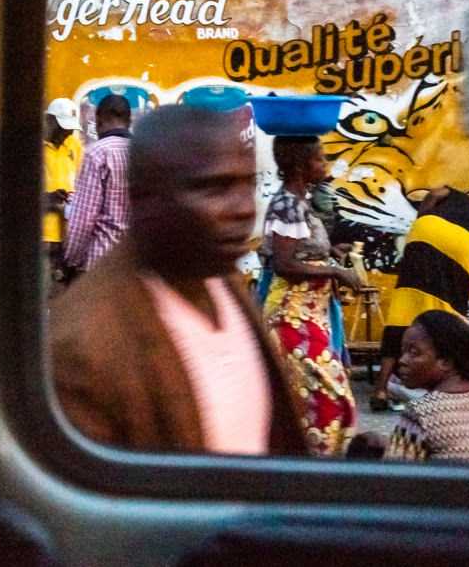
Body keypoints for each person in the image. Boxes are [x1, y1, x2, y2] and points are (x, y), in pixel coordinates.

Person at [50, 105, 308, 455]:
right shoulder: (84, 349)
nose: (243, 208)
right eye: (214, 188)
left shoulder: (220, 276)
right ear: (142, 199)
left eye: (246, 183)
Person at [257, 135, 363, 455]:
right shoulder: (288, 203)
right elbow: (285, 263)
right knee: (329, 397)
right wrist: (335, 271)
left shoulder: (299, 201)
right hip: (292, 318)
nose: (325, 165)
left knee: (318, 399)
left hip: (309, 315)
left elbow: (300, 251)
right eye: (320, 159)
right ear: (302, 166)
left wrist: (331, 252)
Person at [369, 186, 469, 413]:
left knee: (404, 307)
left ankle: (380, 390)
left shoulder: (455, 194)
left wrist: (422, 220)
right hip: (463, 245)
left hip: (426, 231)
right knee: (451, 315)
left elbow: (434, 194)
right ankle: (449, 393)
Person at [385, 310, 469, 464]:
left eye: (414, 352)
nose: (402, 360)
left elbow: (394, 480)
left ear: (446, 362)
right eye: (403, 351)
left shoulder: (420, 413)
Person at [60, 93, 132, 277]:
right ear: (129, 121)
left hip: (99, 265)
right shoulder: (144, 153)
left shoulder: (97, 153)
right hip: (133, 266)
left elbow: (84, 218)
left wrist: (69, 261)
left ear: (99, 120)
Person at [42, 97, 83, 286]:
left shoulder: (74, 148)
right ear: (49, 121)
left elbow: (83, 182)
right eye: (62, 128)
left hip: (68, 237)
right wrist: (47, 198)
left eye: (69, 129)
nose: (66, 133)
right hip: (43, 237)